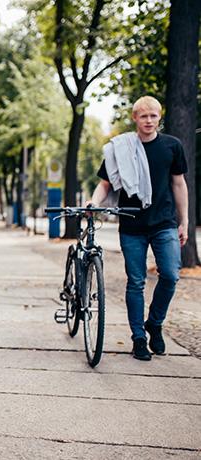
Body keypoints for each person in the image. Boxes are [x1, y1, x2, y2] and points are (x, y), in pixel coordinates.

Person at [88, 96, 188, 361]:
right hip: (132, 225)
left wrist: (184, 220)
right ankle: (138, 338)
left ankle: (154, 323)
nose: (148, 121)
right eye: (143, 116)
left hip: (164, 222)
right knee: (136, 282)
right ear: (135, 118)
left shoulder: (172, 146)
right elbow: (106, 184)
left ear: (159, 117)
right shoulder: (122, 148)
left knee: (170, 274)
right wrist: (93, 202)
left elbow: (179, 184)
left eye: (153, 116)